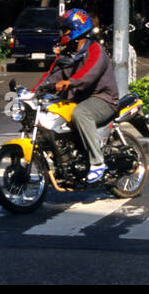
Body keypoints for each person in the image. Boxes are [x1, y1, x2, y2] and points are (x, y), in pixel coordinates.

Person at [49, 9, 119, 184]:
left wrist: (70, 82)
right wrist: (32, 93)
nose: (62, 34)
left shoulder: (95, 50)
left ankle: (97, 162)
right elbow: (52, 75)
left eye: (65, 30)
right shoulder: (67, 53)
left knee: (81, 113)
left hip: (104, 98)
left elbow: (89, 73)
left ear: (76, 29)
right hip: (80, 98)